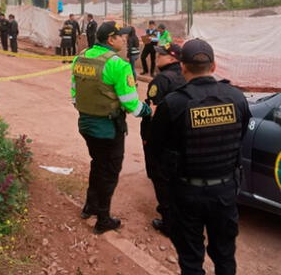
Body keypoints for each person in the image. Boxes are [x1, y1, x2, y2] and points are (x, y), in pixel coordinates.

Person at [150, 39, 249, 275]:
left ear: (182, 67)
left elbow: (155, 148)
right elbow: (241, 136)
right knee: (225, 255)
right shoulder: (236, 98)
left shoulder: (173, 104)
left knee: (191, 258)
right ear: (213, 66)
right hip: (225, 191)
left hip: (186, 193)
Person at [71, 21, 152, 234]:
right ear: (110, 39)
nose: (124, 40)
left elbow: (74, 93)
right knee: (110, 171)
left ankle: (89, 206)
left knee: (97, 164)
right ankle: (103, 218)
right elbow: (132, 105)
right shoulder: (118, 65)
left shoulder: (81, 57)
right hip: (109, 129)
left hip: (86, 124)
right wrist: (149, 111)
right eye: (120, 37)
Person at [141, 42, 185, 237]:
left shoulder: (161, 80)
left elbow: (152, 113)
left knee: (160, 178)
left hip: (161, 139)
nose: (157, 58)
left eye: (161, 55)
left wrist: (146, 137)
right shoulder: (187, 75)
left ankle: (169, 222)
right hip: (181, 137)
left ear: (173, 58)